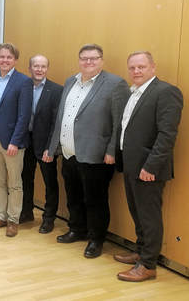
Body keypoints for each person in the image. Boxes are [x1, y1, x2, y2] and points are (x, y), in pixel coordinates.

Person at [47, 44, 130, 258]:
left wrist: (112, 151)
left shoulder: (115, 84)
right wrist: (53, 146)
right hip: (68, 151)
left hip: (96, 155)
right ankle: (77, 229)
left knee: (95, 199)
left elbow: (118, 123)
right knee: (73, 195)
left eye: (93, 58)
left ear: (101, 60)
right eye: (84, 58)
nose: (88, 62)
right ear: (79, 60)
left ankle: (96, 239)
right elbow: (62, 117)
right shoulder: (70, 81)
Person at [115, 51, 183, 282]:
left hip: (148, 169)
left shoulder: (166, 92)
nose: (136, 71)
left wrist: (151, 167)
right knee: (137, 212)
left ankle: (148, 264)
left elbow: (167, 135)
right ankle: (140, 251)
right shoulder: (133, 92)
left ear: (153, 67)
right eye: (132, 67)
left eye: (141, 67)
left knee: (149, 216)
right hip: (131, 165)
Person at [0, 43, 32, 237]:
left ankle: (13, 220)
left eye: (9, 57)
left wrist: (15, 141)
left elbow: (24, 115)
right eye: (2, 57)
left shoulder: (23, 82)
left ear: (15, 60)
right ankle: (0, 216)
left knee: (14, 183)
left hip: (12, 141)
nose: (5, 60)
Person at [19, 55, 63, 233]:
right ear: (30, 68)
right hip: (26, 141)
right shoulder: (24, 87)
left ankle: (48, 218)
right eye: (36, 66)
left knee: (50, 182)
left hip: (45, 145)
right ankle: (26, 211)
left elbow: (56, 122)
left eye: (43, 66)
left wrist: (50, 148)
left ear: (47, 69)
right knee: (25, 178)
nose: (39, 69)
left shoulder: (56, 90)